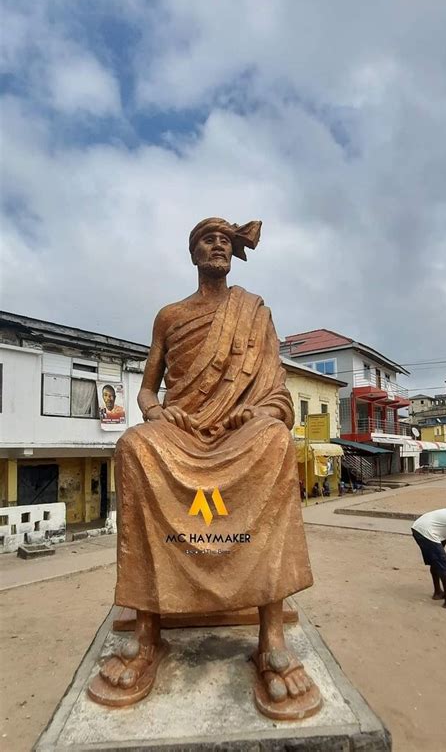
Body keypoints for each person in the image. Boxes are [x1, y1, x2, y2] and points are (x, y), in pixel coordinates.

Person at [88, 217, 319, 718]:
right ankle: (147, 631)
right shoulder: (170, 316)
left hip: (238, 428)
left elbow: (276, 391)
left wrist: (256, 411)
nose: (216, 246)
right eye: (206, 240)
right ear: (193, 254)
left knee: (277, 442)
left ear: (234, 253)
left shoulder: (255, 312)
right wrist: (154, 412)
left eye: (223, 240)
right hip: (181, 427)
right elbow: (148, 388)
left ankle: (271, 636)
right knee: (133, 447)